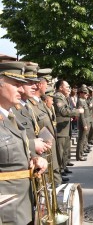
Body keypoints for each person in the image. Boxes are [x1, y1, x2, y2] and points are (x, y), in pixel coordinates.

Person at [0, 61, 48, 224]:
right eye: (16, 84)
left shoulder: (11, 118)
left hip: (22, 207)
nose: (22, 89)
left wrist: (33, 160)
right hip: (6, 211)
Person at [28, 68, 64, 185]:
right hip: (42, 154)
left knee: (55, 186)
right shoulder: (30, 106)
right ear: (40, 84)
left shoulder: (39, 103)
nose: (48, 87)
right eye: (47, 84)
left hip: (50, 151)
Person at [53, 80, 83, 169]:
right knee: (60, 151)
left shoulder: (64, 97)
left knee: (65, 150)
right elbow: (63, 111)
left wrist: (72, 114)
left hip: (65, 127)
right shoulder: (58, 96)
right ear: (60, 88)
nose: (69, 89)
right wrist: (77, 111)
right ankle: (60, 172)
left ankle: (63, 168)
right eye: (67, 87)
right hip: (60, 129)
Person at [76, 85, 91, 161]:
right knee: (81, 140)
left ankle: (81, 153)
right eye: (85, 93)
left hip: (86, 122)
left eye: (87, 94)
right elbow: (81, 115)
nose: (86, 95)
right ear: (81, 93)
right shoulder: (80, 101)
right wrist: (84, 125)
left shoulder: (84, 100)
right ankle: (79, 156)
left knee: (83, 139)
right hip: (83, 123)